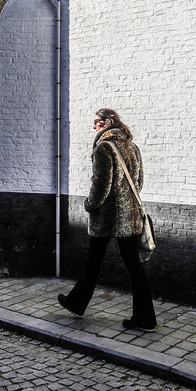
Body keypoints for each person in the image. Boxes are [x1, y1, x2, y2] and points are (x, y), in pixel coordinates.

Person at [57, 108, 157, 331]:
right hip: (129, 217)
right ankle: (145, 318)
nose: (94, 126)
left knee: (94, 262)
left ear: (108, 123)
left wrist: (89, 205)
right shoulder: (133, 147)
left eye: (97, 122)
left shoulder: (104, 148)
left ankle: (78, 303)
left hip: (106, 218)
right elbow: (138, 183)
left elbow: (101, 185)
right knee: (134, 266)